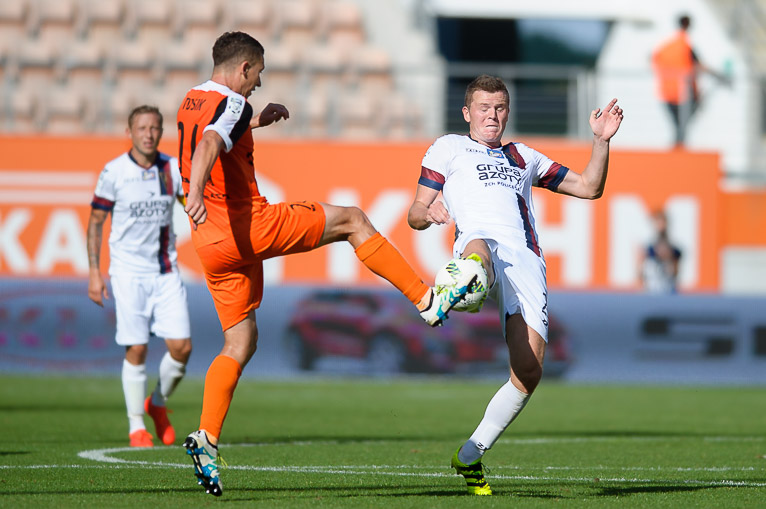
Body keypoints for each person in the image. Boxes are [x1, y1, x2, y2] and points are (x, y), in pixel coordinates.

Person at [176, 31, 471, 497]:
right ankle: (426, 300)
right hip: (245, 226)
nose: (257, 84)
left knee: (240, 340)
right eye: (258, 74)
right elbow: (212, 140)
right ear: (244, 68)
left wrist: (255, 122)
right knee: (353, 220)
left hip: (209, 243)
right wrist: (195, 189)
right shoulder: (231, 102)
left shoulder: (191, 100)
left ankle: (206, 438)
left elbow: (213, 130)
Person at [408, 75, 623, 495]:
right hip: (478, 242)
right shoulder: (448, 148)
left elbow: (589, 187)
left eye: (500, 108)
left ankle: (471, 454)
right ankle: (456, 291)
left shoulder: (524, 156)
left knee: (529, 371)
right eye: (483, 108)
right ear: (467, 113)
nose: (492, 115)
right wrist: (428, 213)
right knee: (478, 252)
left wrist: (601, 141)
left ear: (507, 112)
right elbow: (415, 211)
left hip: (524, 259)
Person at [87, 105, 192, 448]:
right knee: (137, 347)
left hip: (165, 271)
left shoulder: (172, 169)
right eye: (142, 128)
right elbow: (96, 223)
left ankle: (157, 404)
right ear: (129, 132)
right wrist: (94, 273)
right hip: (128, 273)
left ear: (162, 132)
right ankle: (136, 426)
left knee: (182, 348)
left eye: (155, 128)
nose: (149, 134)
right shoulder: (114, 172)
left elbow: (193, 208)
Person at [652, 15, 725, 147]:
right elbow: (700, 65)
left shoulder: (667, 46)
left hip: (666, 92)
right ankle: (678, 152)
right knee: (682, 127)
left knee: (678, 127)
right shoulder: (685, 46)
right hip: (683, 94)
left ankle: (676, 149)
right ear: (688, 25)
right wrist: (718, 75)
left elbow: (653, 59)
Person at [639, 210, 682, 293]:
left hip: (668, 290)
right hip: (651, 291)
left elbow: (676, 273)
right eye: (658, 223)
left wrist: (669, 257)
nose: (661, 226)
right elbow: (640, 274)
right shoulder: (647, 249)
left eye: (663, 223)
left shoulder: (675, 251)